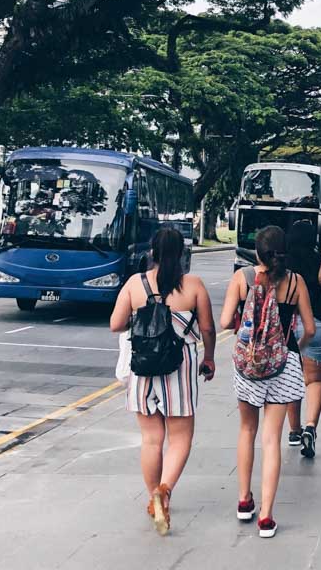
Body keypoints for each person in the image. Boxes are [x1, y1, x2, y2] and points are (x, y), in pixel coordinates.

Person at [110, 227, 216, 535]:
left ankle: (152, 496)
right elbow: (208, 329)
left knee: (151, 439)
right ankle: (164, 490)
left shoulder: (135, 284)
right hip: (179, 366)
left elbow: (116, 324)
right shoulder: (193, 285)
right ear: (181, 253)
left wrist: (143, 318)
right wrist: (209, 358)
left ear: (152, 252)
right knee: (180, 438)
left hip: (142, 365)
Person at [220, 226, 315, 538]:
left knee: (247, 430)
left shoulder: (243, 278)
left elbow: (224, 321)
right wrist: (291, 350)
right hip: (283, 366)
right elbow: (310, 329)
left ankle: (243, 501)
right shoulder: (296, 282)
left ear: (257, 252)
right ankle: (266, 517)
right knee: (272, 438)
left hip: (249, 365)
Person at [285, 220, 321, 459]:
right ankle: (310, 427)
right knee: (315, 380)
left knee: (291, 376)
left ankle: (294, 430)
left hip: (288, 326)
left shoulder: (283, 264)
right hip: (317, 324)